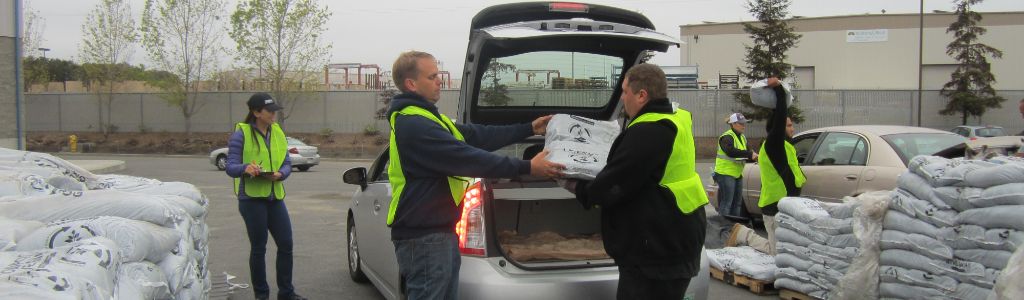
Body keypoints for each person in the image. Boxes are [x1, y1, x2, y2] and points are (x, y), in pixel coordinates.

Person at [386, 51, 564, 300]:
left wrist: (528, 128)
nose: (440, 81)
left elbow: (477, 136)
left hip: (438, 232)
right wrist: (527, 167)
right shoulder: (414, 124)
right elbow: (467, 158)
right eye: (433, 76)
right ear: (411, 84)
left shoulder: (430, 119)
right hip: (424, 238)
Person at [560, 64, 708, 300]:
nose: (621, 97)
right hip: (678, 238)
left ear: (642, 95)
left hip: (656, 253)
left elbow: (612, 186)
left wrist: (575, 186)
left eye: (625, 91)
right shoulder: (676, 118)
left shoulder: (650, 130)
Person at [225, 92, 306, 300]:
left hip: (274, 196)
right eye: (269, 111)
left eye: (274, 110)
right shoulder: (241, 134)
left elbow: (287, 163)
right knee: (259, 248)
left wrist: (281, 174)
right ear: (256, 112)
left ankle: (286, 293)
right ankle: (262, 295)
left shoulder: (277, 132)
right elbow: (230, 166)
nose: (273, 114)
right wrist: (246, 168)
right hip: (251, 200)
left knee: (286, 244)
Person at [726, 78, 803, 256]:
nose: (793, 128)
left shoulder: (786, 146)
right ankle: (744, 234)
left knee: (788, 250)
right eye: (789, 125)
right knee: (775, 251)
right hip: (774, 206)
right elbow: (780, 117)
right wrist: (779, 92)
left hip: (787, 205)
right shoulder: (773, 145)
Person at [713, 112, 757, 221]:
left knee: (737, 204)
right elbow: (730, 152)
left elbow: (748, 151)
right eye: (740, 123)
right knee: (727, 203)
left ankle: (733, 227)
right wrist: (749, 154)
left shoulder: (742, 137)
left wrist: (755, 156)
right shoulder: (727, 137)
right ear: (733, 124)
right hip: (725, 173)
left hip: (736, 174)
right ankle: (722, 228)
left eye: (744, 123)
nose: (743, 125)